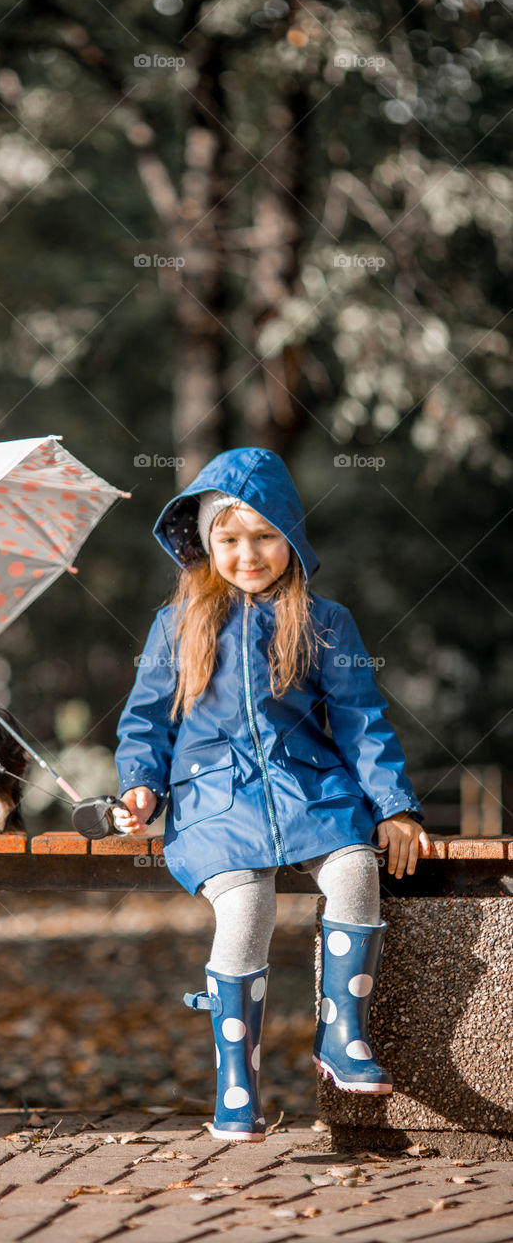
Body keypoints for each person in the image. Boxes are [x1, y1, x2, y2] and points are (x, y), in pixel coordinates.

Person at [114, 447, 431, 1142]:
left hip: (306, 789)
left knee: (354, 867)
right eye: (227, 539)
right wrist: (137, 787)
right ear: (204, 543)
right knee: (246, 902)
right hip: (212, 801)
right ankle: (237, 1079)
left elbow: (360, 721)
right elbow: (144, 721)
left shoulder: (325, 621)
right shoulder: (176, 626)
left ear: (289, 536)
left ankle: (340, 1033)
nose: (247, 553)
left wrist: (395, 806)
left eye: (264, 536)